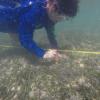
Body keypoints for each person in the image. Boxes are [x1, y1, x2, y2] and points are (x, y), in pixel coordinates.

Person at [0, 0, 79, 61]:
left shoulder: (51, 16)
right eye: (61, 16)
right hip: (3, 19)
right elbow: (25, 39)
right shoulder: (35, 11)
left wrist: (55, 47)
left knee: (17, 37)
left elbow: (50, 31)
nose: (61, 20)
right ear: (52, 7)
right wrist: (43, 54)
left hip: (15, 24)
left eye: (65, 18)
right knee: (18, 36)